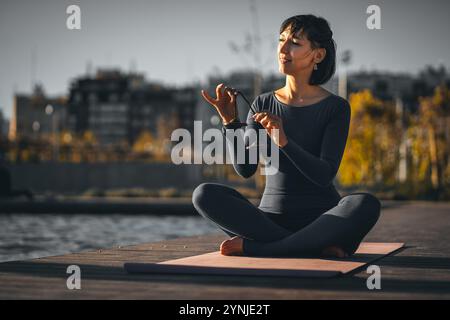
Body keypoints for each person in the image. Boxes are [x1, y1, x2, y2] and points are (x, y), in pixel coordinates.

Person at [193, 14, 380, 258]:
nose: (282, 49)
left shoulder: (336, 107)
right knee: (204, 194)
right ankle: (309, 246)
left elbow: (324, 175)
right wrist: (231, 123)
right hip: (269, 221)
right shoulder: (262, 102)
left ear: (318, 55)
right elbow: (246, 168)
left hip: (325, 219)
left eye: (295, 42)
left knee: (365, 204)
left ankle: (264, 249)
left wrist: (284, 141)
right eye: (281, 40)